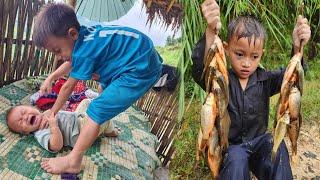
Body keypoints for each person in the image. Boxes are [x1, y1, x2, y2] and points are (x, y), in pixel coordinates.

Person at [32, 3, 162, 174]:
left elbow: (67, 88)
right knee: (103, 92)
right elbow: (72, 61)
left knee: (97, 107)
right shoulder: (84, 36)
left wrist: (53, 112)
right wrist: (51, 77)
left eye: (57, 50)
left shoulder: (83, 51)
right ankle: (107, 128)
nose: (59, 57)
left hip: (139, 68)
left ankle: (73, 160)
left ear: (72, 33)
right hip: (140, 57)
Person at [192, 0, 311, 179]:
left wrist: (297, 46)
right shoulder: (220, 81)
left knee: (275, 147)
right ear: (226, 49)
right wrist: (210, 30)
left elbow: (292, 76)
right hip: (232, 148)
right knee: (236, 161)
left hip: (259, 142)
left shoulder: (266, 79)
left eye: (254, 56)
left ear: (261, 54)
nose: (247, 63)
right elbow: (201, 71)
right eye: (239, 54)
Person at [6, 99, 118, 152]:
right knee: (102, 117)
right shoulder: (40, 133)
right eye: (20, 122)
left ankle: (94, 105)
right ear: (26, 132)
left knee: (86, 102)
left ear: (33, 108)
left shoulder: (45, 113)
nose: (25, 117)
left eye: (24, 112)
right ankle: (110, 130)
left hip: (78, 117)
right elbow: (55, 146)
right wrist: (54, 127)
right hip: (81, 132)